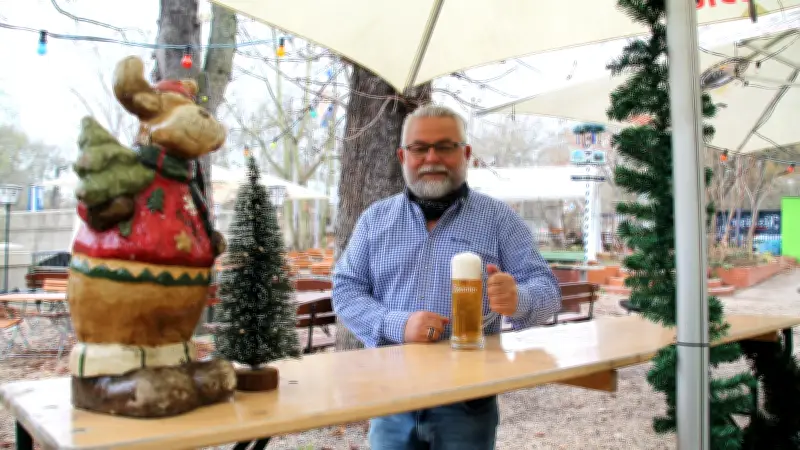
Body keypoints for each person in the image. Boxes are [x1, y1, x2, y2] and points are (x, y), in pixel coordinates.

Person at [332, 104, 562, 450]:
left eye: (445, 146)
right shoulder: (375, 220)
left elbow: (548, 291)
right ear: (402, 155)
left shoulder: (498, 219)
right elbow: (345, 290)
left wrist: (518, 300)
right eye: (419, 148)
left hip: (467, 402)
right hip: (390, 398)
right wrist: (398, 324)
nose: (431, 158)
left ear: (465, 153)